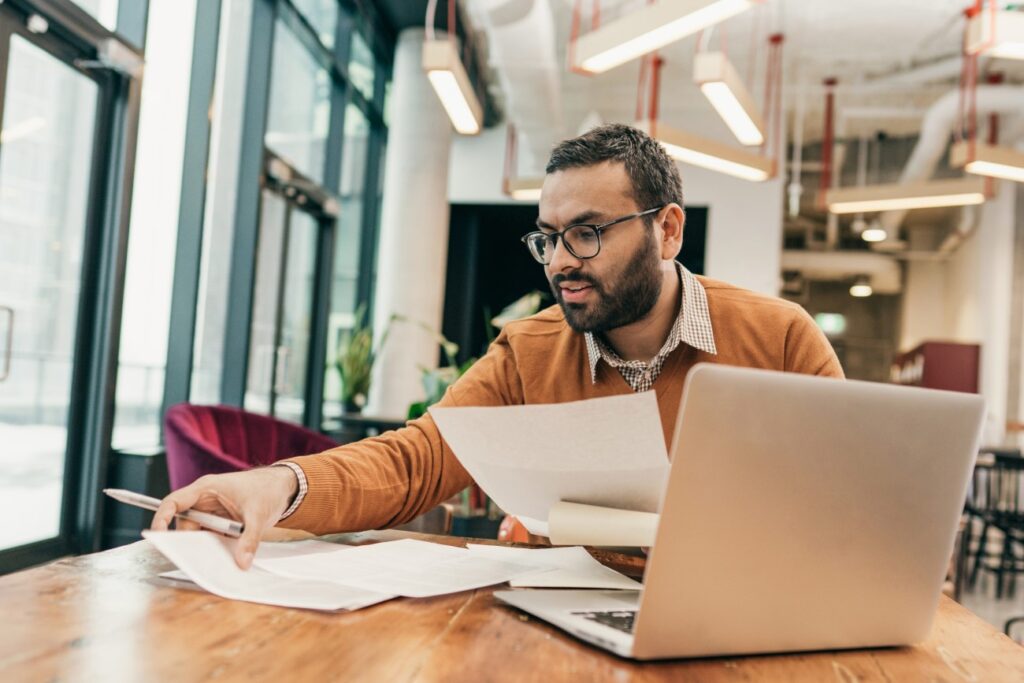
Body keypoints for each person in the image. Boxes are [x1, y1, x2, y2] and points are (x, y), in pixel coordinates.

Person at [152, 124, 843, 568]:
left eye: (588, 232)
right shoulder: (529, 351)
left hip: (738, 617)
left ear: (667, 230)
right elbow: (416, 459)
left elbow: (842, 510)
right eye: (549, 235)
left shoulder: (780, 339)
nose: (561, 261)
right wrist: (280, 482)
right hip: (570, 617)